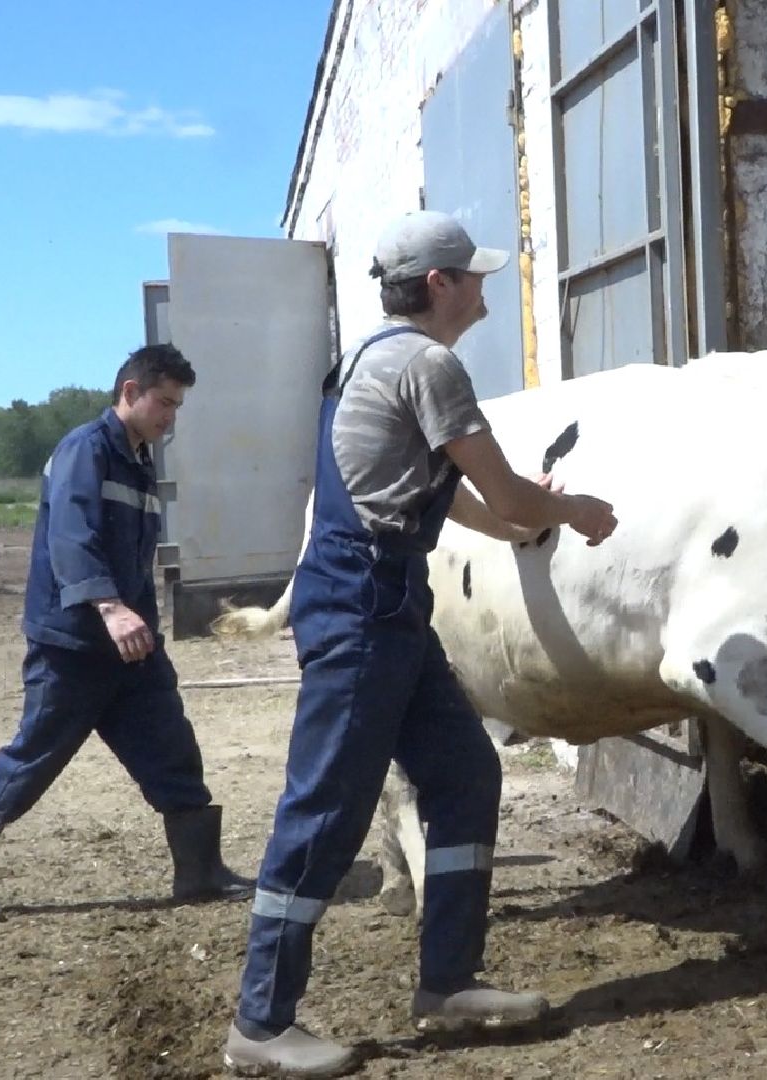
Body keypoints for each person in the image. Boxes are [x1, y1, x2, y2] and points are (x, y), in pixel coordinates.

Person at [220, 211, 618, 1077]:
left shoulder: (373, 357)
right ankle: (260, 1020)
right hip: (365, 598)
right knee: (325, 804)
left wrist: (516, 521)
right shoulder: (429, 363)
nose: (482, 286)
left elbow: (444, 491)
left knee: (465, 771)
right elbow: (509, 494)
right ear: (439, 285)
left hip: (384, 596)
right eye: (471, 275)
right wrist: (572, 512)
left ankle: (448, 982)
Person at [0, 343, 255, 921]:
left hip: (132, 649)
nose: (170, 417)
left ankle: (199, 871)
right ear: (130, 393)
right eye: (164, 403)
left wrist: (137, 621)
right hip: (75, 645)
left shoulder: (137, 458)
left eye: (177, 406)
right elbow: (71, 537)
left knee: (173, 751)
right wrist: (109, 608)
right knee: (33, 758)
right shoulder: (85, 450)